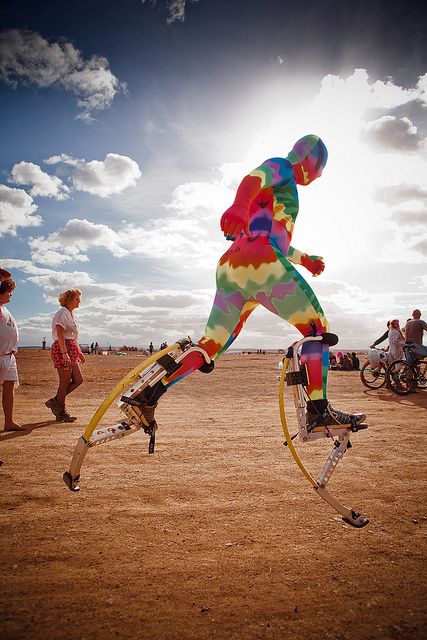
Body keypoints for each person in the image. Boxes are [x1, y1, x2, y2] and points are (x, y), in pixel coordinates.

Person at [135, 135, 365, 431]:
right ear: (309, 157)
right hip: (261, 264)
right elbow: (253, 177)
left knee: (211, 344)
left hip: (233, 266)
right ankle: (319, 411)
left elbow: (275, 238)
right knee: (316, 330)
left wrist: (304, 258)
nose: (320, 175)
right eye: (321, 167)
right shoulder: (282, 167)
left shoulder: (280, 194)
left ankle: (149, 393)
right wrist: (239, 206)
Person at [45, 288, 85, 422]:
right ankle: (61, 412)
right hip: (63, 349)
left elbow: (73, 336)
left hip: (71, 349)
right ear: (69, 300)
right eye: (76, 298)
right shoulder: (62, 313)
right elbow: (60, 333)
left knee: (78, 379)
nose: (79, 300)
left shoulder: (70, 314)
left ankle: (55, 401)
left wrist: (78, 352)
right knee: (64, 382)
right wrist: (64, 353)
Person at [0, 270, 24, 431]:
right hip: (0, 355)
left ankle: (9, 421)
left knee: (9, 387)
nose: (11, 295)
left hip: (9, 356)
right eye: (9, 291)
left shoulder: (5, 309)